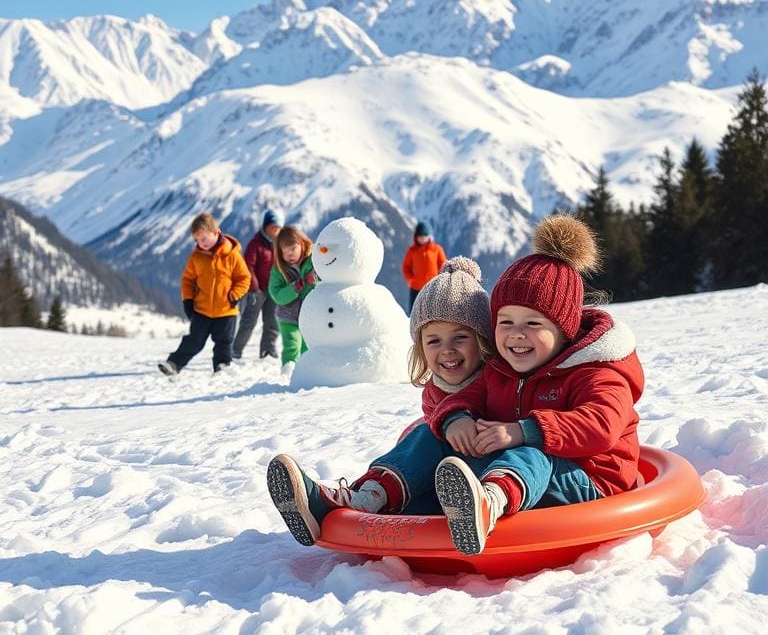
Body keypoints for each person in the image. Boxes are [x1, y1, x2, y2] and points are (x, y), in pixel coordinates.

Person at [428, 214, 643, 555]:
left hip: (592, 483)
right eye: (506, 321)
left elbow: (602, 425)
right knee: (430, 436)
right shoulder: (502, 369)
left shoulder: (596, 370)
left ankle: (487, 505)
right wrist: (457, 419)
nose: (516, 333)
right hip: (519, 473)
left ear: (564, 330)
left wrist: (524, 431)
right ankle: (372, 494)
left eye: (532, 323)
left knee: (532, 452)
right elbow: (467, 395)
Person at [267, 257, 494, 545]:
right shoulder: (435, 388)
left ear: (483, 341)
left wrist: (462, 420)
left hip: (488, 481)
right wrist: (450, 419)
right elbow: (438, 413)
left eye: (460, 337)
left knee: (426, 434)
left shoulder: (497, 379)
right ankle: (357, 499)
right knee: (423, 437)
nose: (447, 350)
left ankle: (376, 499)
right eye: (434, 341)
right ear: (421, 348)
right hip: (444, 489)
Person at [158, 212, 250, 376]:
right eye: (197, 240)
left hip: (226, 310)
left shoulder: (232, 255)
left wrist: (235, 295)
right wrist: (188, 300)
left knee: (223, 342)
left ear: (216, 232)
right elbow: (187, 280)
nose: (201, 243)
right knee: (194, 341)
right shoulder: (196, 257)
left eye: (204, 239)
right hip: (202, 310)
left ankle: (222, 367)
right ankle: (173, 364)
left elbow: (244, 278)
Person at [267, 226, 318, 377]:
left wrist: (314, 280)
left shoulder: (313, 261)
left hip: (309, 314)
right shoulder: (279, 270)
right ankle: (287, 369)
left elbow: (324, 276)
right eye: (285, 251)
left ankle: (306, 372)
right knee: (292, 344)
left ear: (302, 244)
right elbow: (276, 294)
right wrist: (295, 287)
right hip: (288, 316)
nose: (289, 254)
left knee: (306, 346)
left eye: (293, 249)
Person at [232, 209, 282, 361]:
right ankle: (235, 351)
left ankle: (268, 350)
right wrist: (254, 288)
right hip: (257, 290)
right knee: (249, 321)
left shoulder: (280, 244)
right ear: (265, 226)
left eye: (277, 226)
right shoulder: (256, 244)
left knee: (273, 320)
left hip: (274, 289)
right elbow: (248, 266)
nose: (275, 229)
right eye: (272, 226)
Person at [402, 221, 447, 313]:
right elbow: (405, 267)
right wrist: (411, 280)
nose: (422, 239)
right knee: (415, 313)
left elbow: (444, 266)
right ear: (416, 237)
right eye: (420, 237)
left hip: (433, 287)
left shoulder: (436, 249)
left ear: (428, 236)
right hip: (416, 288)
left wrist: (441, 281)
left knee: (434, 312)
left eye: (424, 236)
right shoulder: (412, 251)